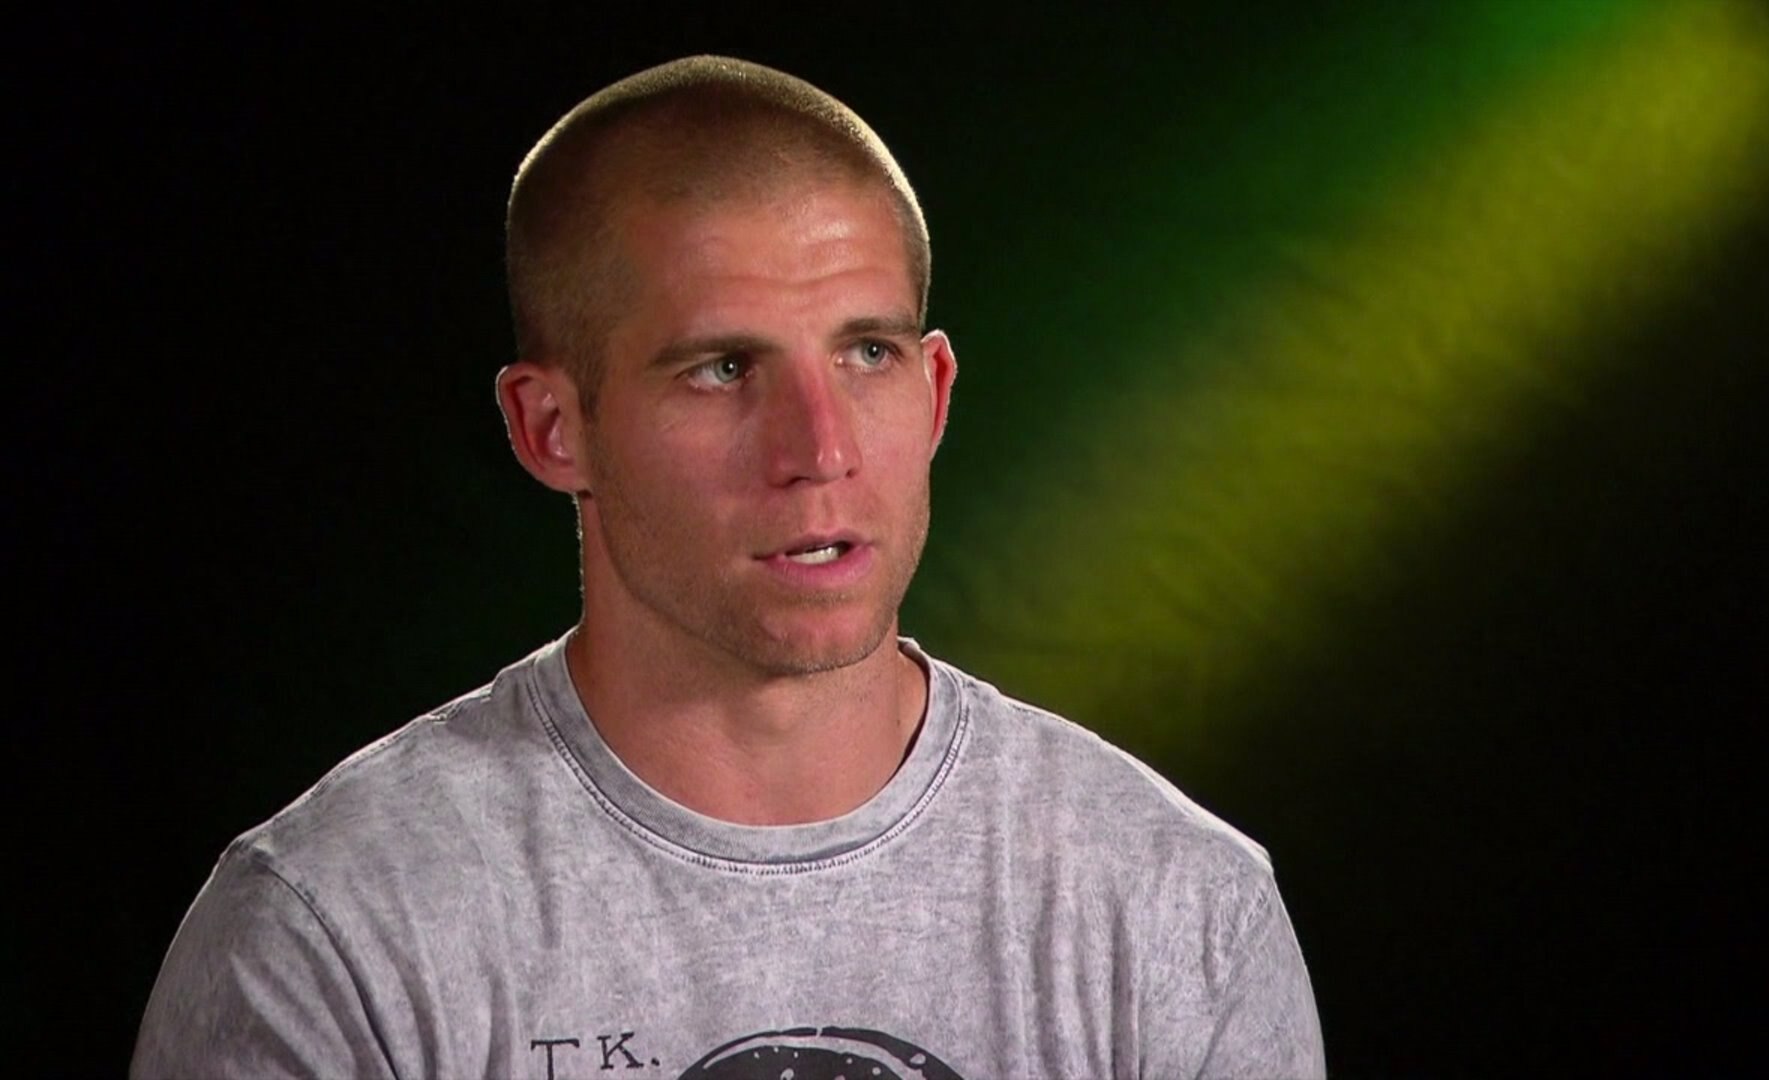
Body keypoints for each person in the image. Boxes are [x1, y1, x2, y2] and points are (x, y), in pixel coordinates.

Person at [131, 56, 1325, 1079]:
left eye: (867, 352)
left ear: (935, 392)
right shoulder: (332, 934)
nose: (820, 449)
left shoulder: (1177, 910)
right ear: (552, 429)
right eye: (720, 370)